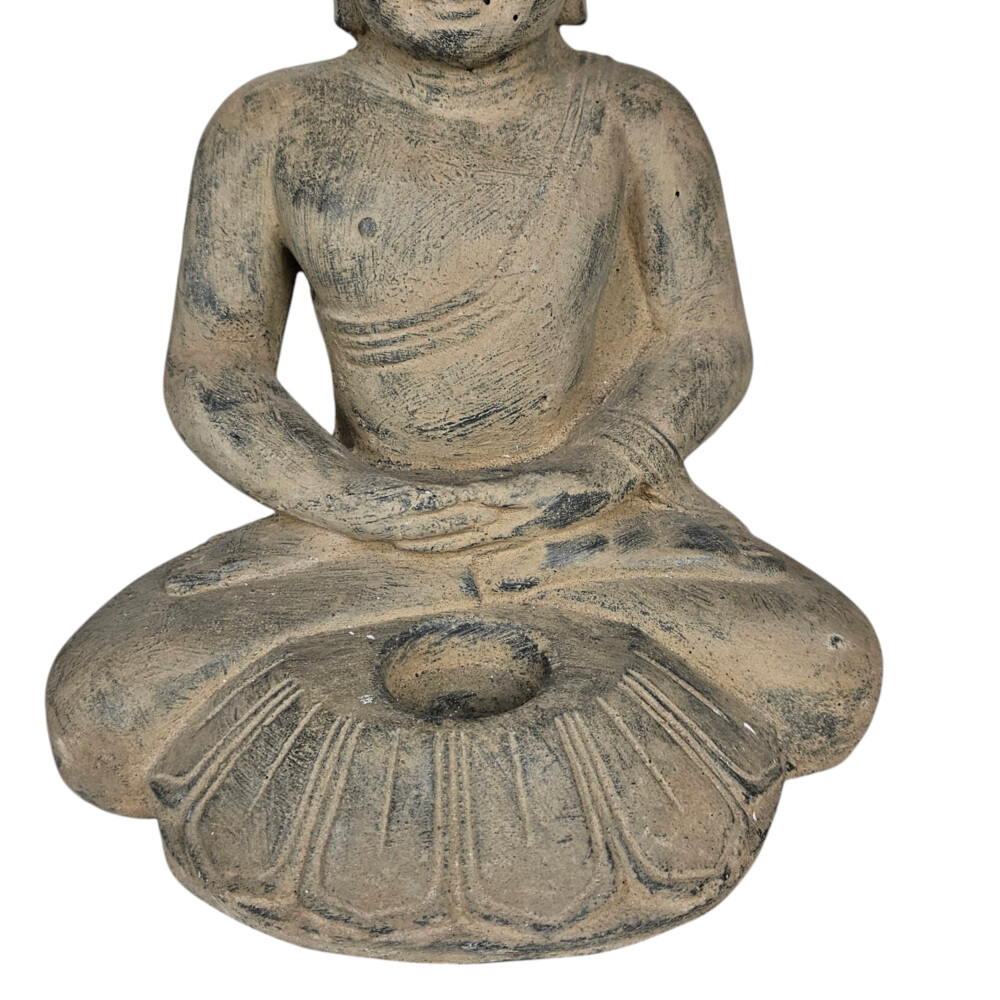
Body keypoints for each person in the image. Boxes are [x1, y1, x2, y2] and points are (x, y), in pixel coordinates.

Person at [47, 0, 881, 957]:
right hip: (357, 536)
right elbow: (216, 370)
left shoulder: (634, 112)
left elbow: (703, 340)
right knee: (100, 710)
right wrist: (350, 498)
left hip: (590, 528)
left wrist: (596, 470)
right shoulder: (269, 123)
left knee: (828, 661)